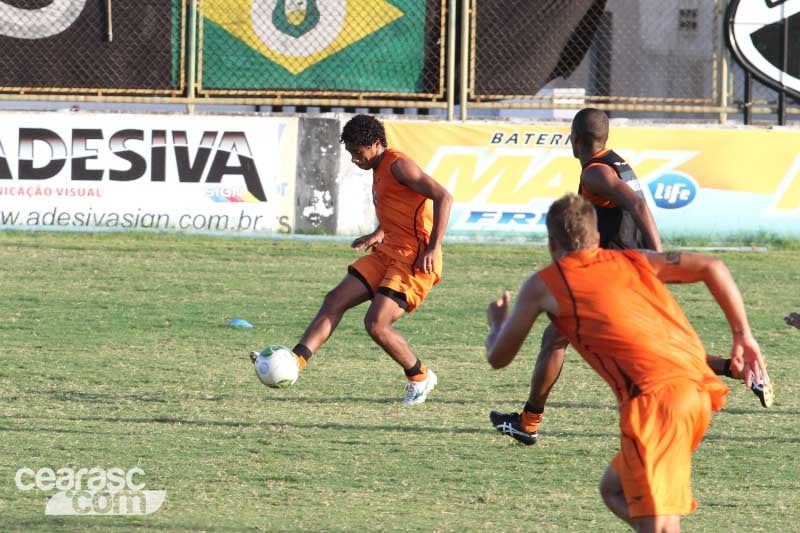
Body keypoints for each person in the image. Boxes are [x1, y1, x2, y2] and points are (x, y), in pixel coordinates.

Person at [485, 193, 767, 531]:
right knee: (613, 489)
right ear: (598, 238)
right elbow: (713, 266)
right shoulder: (634, 259)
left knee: (659, 526)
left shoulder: (545, 283)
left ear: (550, 243)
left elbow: (499, 358)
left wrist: (497, 324)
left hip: (655, 403)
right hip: (696, 392)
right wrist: (744, 336)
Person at [491, 108, 771, 445]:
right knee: (644, 341)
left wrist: (656, 256)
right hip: (623, 266)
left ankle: (529, 422)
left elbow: (637, 205)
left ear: (575, 140)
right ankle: (738, 370)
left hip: (612, 271)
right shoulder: (615, 161)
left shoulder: (595, 172)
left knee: (561, 338)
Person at [252, 114, 452, 405]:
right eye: (350, 154)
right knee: (335, 299)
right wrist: (379, 232)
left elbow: (443, 197)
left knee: (376, 324)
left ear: (375, 143)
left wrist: (433, 248)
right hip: (388, 251)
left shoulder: (399, 165)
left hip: (414, 260)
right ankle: (295, 362)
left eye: (358, 153)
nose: (355, 160)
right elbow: (403, 206)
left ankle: (420, 377)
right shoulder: (379, 168)